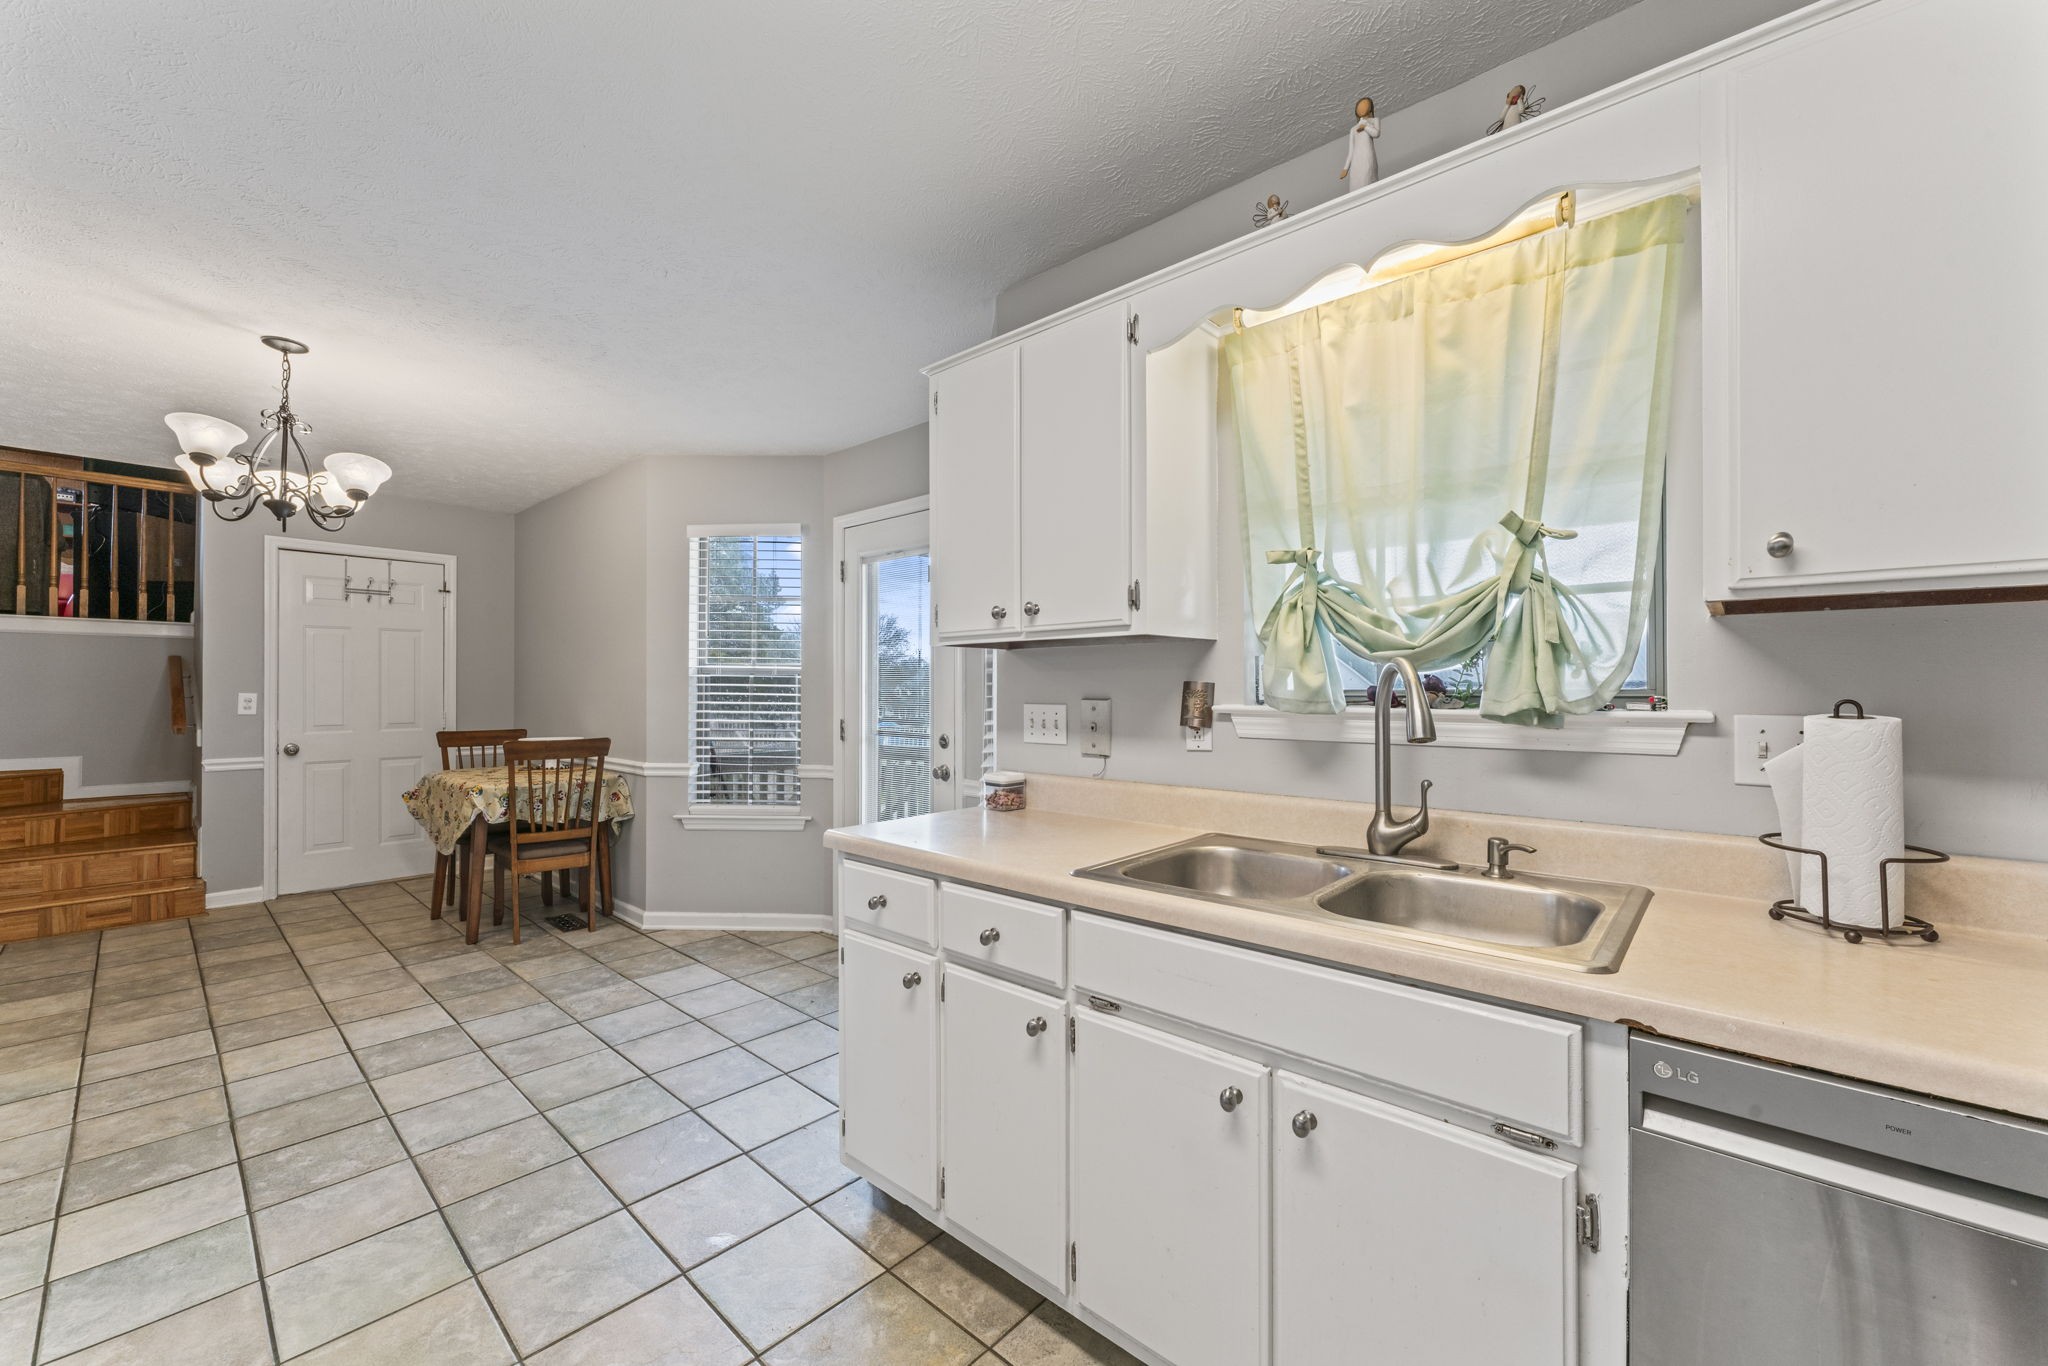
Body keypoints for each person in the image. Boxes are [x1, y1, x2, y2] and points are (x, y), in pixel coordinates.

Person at [1338, 96, 1379, 192]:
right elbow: (1351, 151)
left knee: (1367, 177)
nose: (1361, 107)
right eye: (1359, 106)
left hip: (1367, 156)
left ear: (1370, 108)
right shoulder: (1353, 129)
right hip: (1356, 161)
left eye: (1365, 104)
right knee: (1356, 184)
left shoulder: (1374, 120)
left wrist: (1365, 127)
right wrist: (1345, 168)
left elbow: (1376, 133)